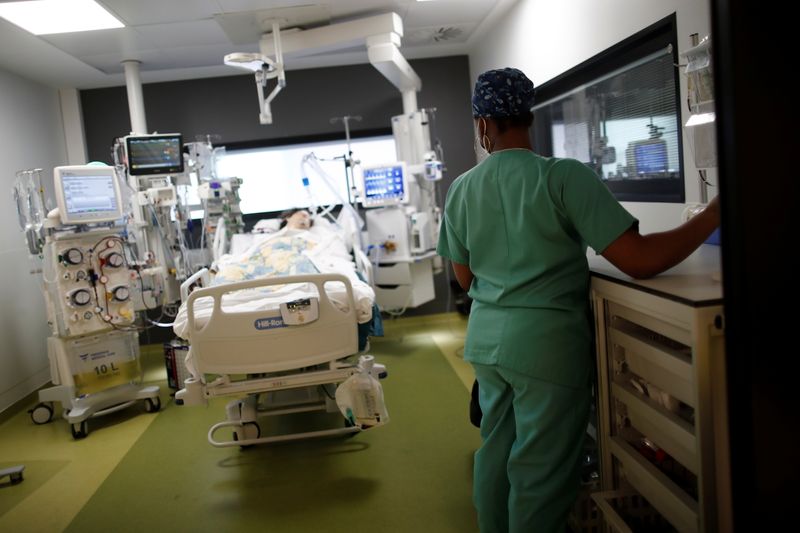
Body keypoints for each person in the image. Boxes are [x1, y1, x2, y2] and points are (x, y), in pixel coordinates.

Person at [436, 67, 720, 533]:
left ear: (482, 124)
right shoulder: (563, 177)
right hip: (546, 347)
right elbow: (640, 260)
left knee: (496, 454)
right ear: (529, 116)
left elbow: (465, 277)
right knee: (541, 469)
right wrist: (712, 214)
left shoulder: (462, 189)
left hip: (488, 344)